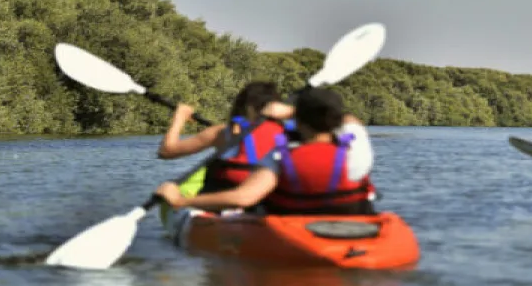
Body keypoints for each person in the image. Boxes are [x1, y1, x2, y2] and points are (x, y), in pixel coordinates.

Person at [154, 87, 377, 216]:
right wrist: (295, 112)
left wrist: (179, 201)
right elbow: (349, 120)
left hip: (294, 226)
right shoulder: (354, 149)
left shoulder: (281, 157)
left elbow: (244, 197)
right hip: (352, 223)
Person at [157, 81, 296, 195]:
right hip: (269, 198)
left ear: (246, 106)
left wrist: (179, 117)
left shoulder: (223, 132)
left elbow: (166, 151)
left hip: (229, 197)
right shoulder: (291, 132)